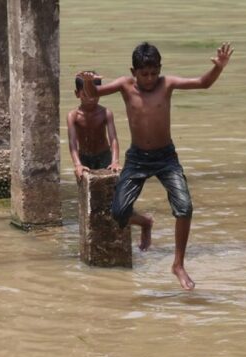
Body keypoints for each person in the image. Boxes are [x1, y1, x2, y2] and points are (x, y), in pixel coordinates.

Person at [78, 41, 234, 290]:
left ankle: (178, 265)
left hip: (166, 158)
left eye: (154, 73)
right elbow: (93, 94)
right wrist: (87, 81)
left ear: (160, 69)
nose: (150, 79)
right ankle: (145, 222)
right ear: (133, 72)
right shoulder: (124, 85)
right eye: (144, 74)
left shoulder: (167, 84)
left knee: (184, 208)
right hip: (138, 158)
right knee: (118, 213)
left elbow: (203, 83)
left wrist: (219, 68)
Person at [67, 72, 121, 182]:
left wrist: (115, 161)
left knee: (109, 188)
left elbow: (113, 139)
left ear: (99, 92)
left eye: (94, 94)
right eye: (85, 94)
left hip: (104, 156)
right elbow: (72, 143)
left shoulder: (106, 113)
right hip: (84, 158)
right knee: (85, 188)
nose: (91, 99)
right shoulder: (73, 116)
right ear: (77, 94)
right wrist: (77, 164)